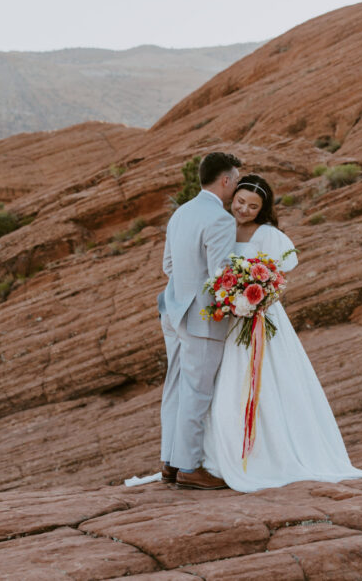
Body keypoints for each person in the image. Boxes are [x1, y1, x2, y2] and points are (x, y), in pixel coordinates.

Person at [200, 174, 362, 492]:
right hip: (227, 314)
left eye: (253, 206)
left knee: (266, 382)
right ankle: (219, 456)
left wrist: (257, 296)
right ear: (232, 197)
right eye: (240, 201)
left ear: (262, 210)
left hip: (259, 314)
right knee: (222, 383)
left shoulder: (267, 234)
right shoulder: (218, 225)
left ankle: (264, 454)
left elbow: (279, 275)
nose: (244, 209)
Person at [156, 152, 241, 489]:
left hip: (172, 309)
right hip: (201, 317)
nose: (235, 186)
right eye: (234, 180)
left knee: (175, 386)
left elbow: (169, 265)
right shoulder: (220, 219)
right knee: (197, 391)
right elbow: (221, 272)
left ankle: (169, 462)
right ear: (225, 180)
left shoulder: (181, 213)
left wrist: (184, 291)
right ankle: (190, 467)